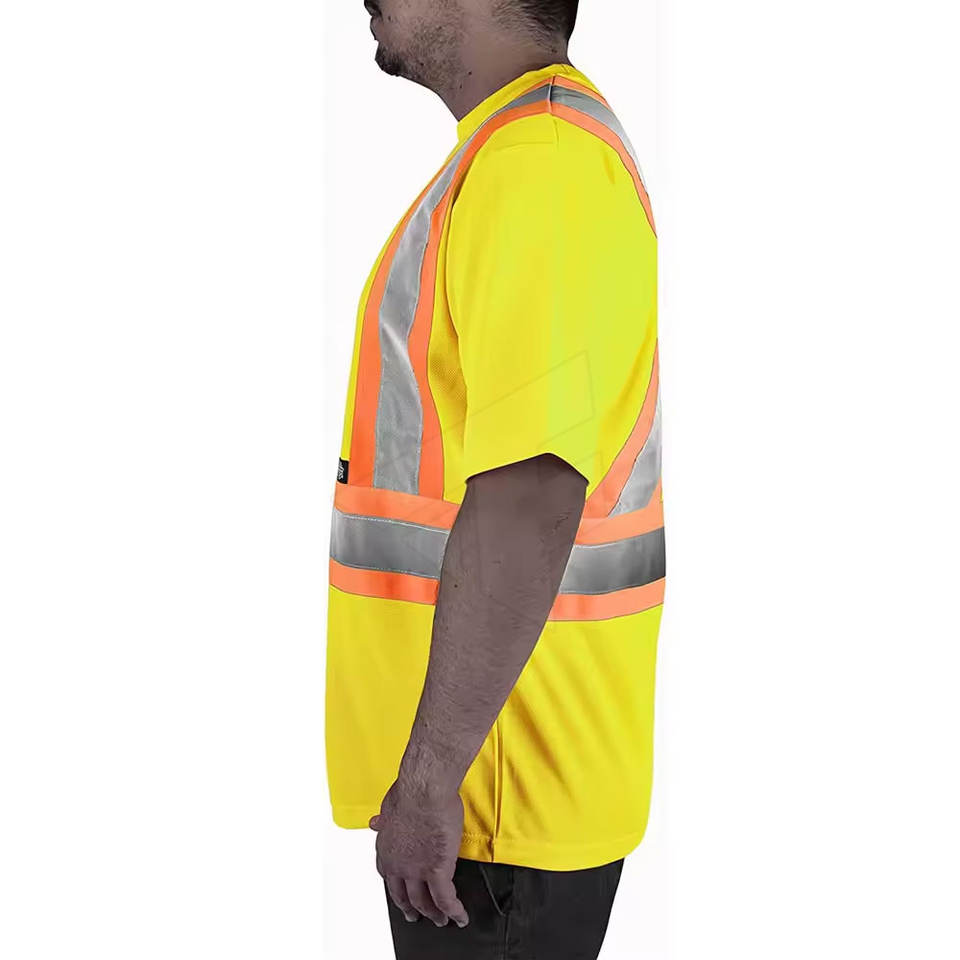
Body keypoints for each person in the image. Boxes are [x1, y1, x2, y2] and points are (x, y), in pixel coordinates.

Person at [326, 1, 663, 956]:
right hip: (494, 783)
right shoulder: (517, 156)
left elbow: (532, 491)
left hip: (494, 797)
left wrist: (432, 777)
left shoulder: (540, 167)